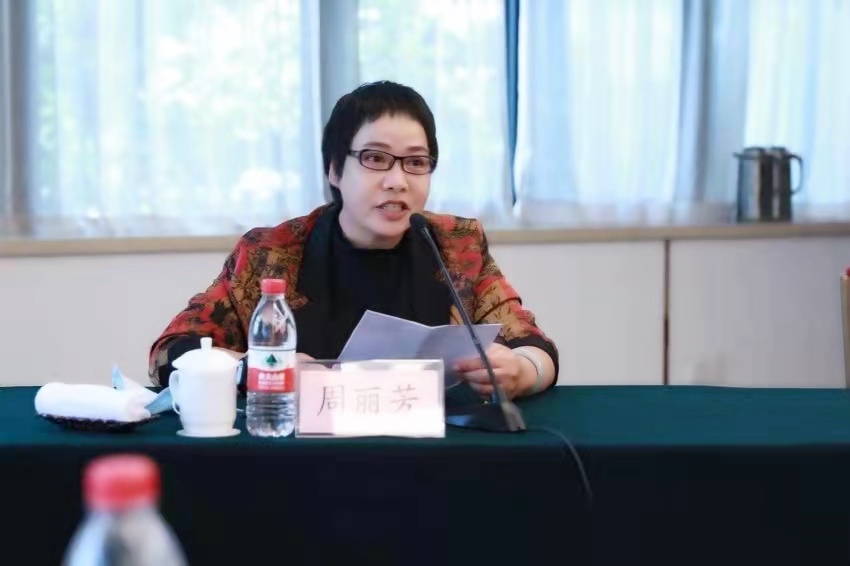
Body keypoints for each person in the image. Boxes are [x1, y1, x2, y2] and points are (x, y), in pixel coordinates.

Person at [148, 81, 558, 400]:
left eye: (416, 162)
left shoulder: (456, 244)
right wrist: (256, 368)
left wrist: (524, 371)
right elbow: (171, 354)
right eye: (375, 158)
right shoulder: (270, 253)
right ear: (334, 169)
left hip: (433, 452)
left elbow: (532, 343)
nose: (397, 181)